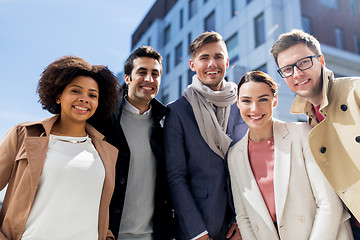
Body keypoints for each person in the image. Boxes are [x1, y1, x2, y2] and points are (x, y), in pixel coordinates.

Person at [0, 56, 120, 240]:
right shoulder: (22, 135)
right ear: (58, 95)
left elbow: (99, 213)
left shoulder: (105, 152)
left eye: (92, 95)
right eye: (75, 91)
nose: (84, 99)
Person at [228, 70, 353, 239]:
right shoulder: (235, 155)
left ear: (275, 100)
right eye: (246, 101)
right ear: (238, 103)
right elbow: (244, 218)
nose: (254, 108)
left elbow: (329, 203)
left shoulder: (302, 134)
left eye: (263, 99)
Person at [270, 29, 360, 238]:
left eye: (303, 63)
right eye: (287, 69)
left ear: (320, 60)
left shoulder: (355, 92)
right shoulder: (308, 122)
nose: (297, 74)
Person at [164, 31, 248, 240]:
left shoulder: (243, 105)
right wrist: (197, 232)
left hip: (240, 227)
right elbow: (176, 177)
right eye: (204, 58)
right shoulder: (177, 111)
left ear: (227, 61)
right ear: (193, 64)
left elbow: (252, 167)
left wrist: (243, 220)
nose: (212, 63)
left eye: (218, 57)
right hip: (200, 227)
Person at [89, 46, 174, 240]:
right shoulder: (103, 118)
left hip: (155, 235)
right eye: (141, 72)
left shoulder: (167, 123)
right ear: (127, 78)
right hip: (109, 234)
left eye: (155, 74)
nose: (149, 79)